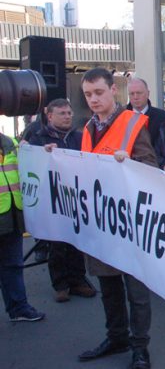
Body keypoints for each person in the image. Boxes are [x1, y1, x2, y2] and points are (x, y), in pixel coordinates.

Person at [78, 68, 157, 369]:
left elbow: (151, 165)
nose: (94, 99)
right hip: (101, 221)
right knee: (108, 286)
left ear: (113, 90)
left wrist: (131, 162)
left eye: (99, 92)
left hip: (129, 221)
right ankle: (116, 337)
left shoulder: (133, 124)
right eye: (88, 95)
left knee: (135, 288)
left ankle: (140, 348)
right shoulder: (87, 128)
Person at [28, 98, 97, 303]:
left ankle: (78, 280)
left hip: (76, 198)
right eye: (62, 113)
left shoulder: (79, 136)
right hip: (53, 200)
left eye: (69, 113)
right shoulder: (38, 138)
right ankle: (61, 284)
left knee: (77, 241)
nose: (67, 116)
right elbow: (32, 164)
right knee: (57, 243)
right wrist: (42, 153)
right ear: (50, 116)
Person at [0, 131, 46, 323]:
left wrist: (43, 153)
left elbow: (29, 167)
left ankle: (19, 308)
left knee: (13, 264)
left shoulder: (10, 142)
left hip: (12, 215)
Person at [126, 77, 165, 147]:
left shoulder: (163, 118)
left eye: (139, 93)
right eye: (132, 94)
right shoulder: (120, 117)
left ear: (148, 93)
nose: (135, 97)